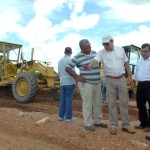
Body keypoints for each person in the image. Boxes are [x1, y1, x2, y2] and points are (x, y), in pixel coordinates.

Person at [83, 35, 136, 134]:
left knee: (124, 103)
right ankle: (113, 125)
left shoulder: (120, 50)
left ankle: (126, 125)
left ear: (112, 42)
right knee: (111, 103)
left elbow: (126, 63)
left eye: (107, 44)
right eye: (103, 44)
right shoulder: (101, 52)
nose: (105, 46)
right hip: (109, 80)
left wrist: (129, 75)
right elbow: (95, 60)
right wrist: (89, 66)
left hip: (121, 79)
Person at [65, 39, 107, 131]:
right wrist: (77, 77)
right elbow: (67, 68)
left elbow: (98, 62)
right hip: (86, 84)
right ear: (82, 48)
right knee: (87, 104)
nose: (90, 47)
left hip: (97, 83)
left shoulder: (94, 53)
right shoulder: (77, 57)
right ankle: (87, 124)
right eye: (88, 46)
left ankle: (98, 121)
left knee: (98, 103)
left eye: (90, 45)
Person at [134, 43, 150, 132]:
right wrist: (133, 80)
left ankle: (149, 125)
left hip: (149, 85)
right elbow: (136, 71)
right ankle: (143, 123)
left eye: (145, 51)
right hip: (140, 85)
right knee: (140, 105)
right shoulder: (139, 61)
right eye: (142, 51)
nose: (143, 53)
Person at [58, 47, 75, 122]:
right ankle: (68, 118)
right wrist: (76, 82)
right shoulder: (71, 60)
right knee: (68, 100)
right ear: (71, 53)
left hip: (62, 82)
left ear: (64, 52)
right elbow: (73, 72)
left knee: (62, 99)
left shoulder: (60, 61)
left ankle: (61, 116)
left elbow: (59, 73)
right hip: (69, 82)